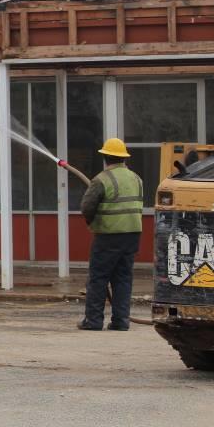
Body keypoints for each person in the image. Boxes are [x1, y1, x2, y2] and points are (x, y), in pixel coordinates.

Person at [78, 138, 144, 331]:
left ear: (105, 157)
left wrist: (92, 222)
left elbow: (87, 207)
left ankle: (93, 321)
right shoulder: (136, 178)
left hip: (108, 236)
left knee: (98, 278)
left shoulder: (102, 179)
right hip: (132, 235)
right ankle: (121, 321)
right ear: (124, 158)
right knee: (123, 278)